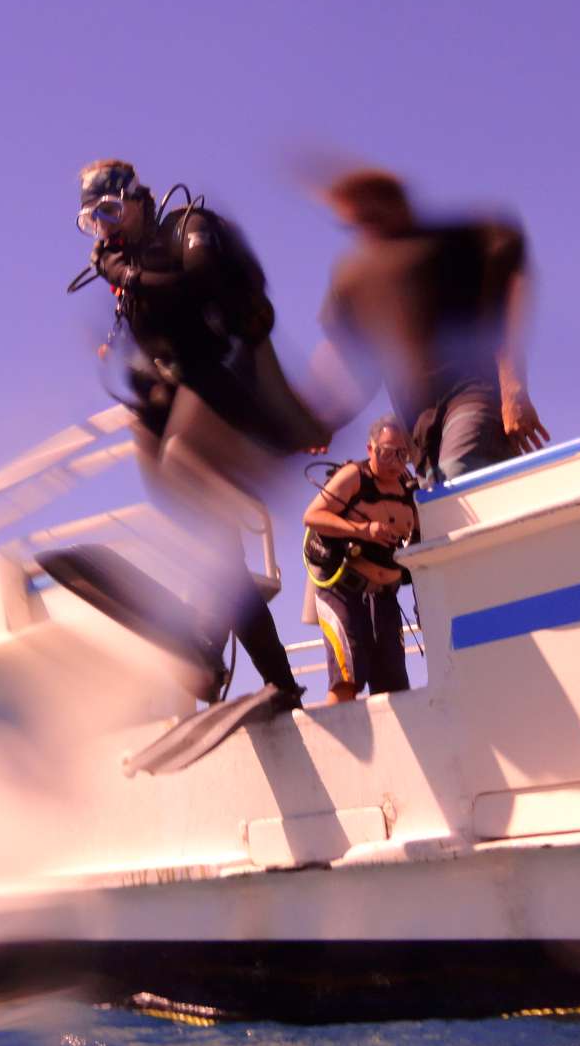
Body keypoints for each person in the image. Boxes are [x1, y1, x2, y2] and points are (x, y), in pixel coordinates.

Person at [73, 158, 310, 708]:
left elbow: (196, 283)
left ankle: (209, 635)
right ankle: (278, 681)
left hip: (227, 382)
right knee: (217, 553)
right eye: (91, 221)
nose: (103, 227)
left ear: (136, 199)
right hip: (178, 393)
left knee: (184, 467)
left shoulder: (187, 226)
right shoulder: (119, 261)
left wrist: (126, 275)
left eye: (109, 211)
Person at [316, 169, 549, 482]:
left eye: (372, 217)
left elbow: (504, 306)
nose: (366, 231)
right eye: (355, 224)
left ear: (398, 207)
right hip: (420, 427)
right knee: (436, 499)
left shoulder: (449, 248)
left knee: (457, 477)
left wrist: (513, 390)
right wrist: (325, 422)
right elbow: (356, 361)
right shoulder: (359, 278)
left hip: (472, 395)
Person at [302, 417, 418, 701]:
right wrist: (364, 531)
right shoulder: (354, 477)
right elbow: (312, 516)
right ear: (371, 449)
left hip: (385, 598)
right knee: (347, 680)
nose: (395, 461)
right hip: (342, 591)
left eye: (402, 454)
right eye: (386, 452)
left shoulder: (409, 488)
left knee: (393, 687)